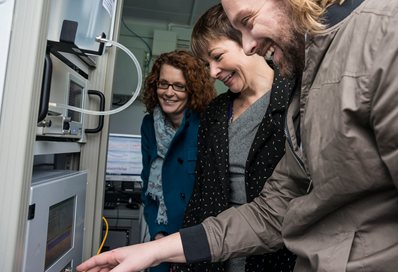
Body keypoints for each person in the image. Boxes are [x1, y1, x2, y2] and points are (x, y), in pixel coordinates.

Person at [77, 0, 398, 271]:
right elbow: (274, 209)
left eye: (248, 21)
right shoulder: (309, 82)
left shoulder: (382, 34)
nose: (248, 46)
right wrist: (154, 249)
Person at [173, 4, 297, 272]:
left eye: (217, 57)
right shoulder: (215, 111)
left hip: (277, 254)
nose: (212, 72)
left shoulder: (294, 98)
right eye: (207, 64)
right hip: (217, 252)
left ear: (245, 40)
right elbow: (201, 193)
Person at [139, 50, 216, 272]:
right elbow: (147, 184)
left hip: (197, 236)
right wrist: (157, 230)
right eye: (163, 84)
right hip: (162, 235)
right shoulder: (148, 125)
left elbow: (213, 189)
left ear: (192, 90)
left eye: (179, 86)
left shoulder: (208, 124)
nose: (169, 93)